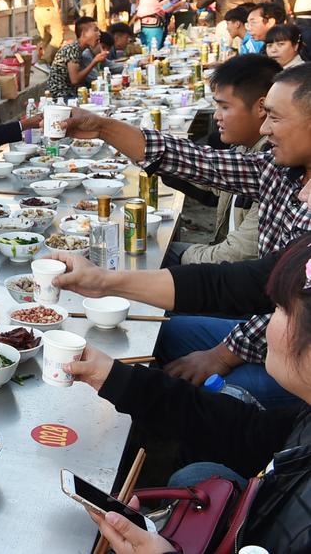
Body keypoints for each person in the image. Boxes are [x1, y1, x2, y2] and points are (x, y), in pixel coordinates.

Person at [57, 63, 311, 407]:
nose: (265, 129)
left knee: (226, 399)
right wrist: (103, 127)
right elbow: (196, 161)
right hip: (263, 323)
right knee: (162, 332)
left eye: (275, 118)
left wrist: (222, 355)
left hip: (295, 350)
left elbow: (269, 297)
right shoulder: (282, 172)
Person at [56, 232, 311, 553]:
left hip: (270, 520)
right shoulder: (304, 420)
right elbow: (247, 432)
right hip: (270, 503)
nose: (264, 323)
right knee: (196, 475)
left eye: (278, 309)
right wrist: (114, 378)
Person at [164, 55, 281, 266]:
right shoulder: (244, 147)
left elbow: (236, 255)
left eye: (224, 107)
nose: (216, 116)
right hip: (228, 262)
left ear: (261, 106)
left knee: (159, 254)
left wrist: (181, 259)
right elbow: (212, 176)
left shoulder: (274, 164)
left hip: (238, 278)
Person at [47, 16, 108, 99]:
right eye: (95, 30)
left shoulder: (80, 49)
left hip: (71, 93)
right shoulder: (73, 49)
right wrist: (94, 62)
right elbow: (75, 80)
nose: (99, 34)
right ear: (84, 33)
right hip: (61, 97)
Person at [34, 0, 64, 64]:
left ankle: (39, 61)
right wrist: (56, 6)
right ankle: (44, 62)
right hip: (49, 8)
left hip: (38, 9)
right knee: (58, 38)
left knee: (45, 39)